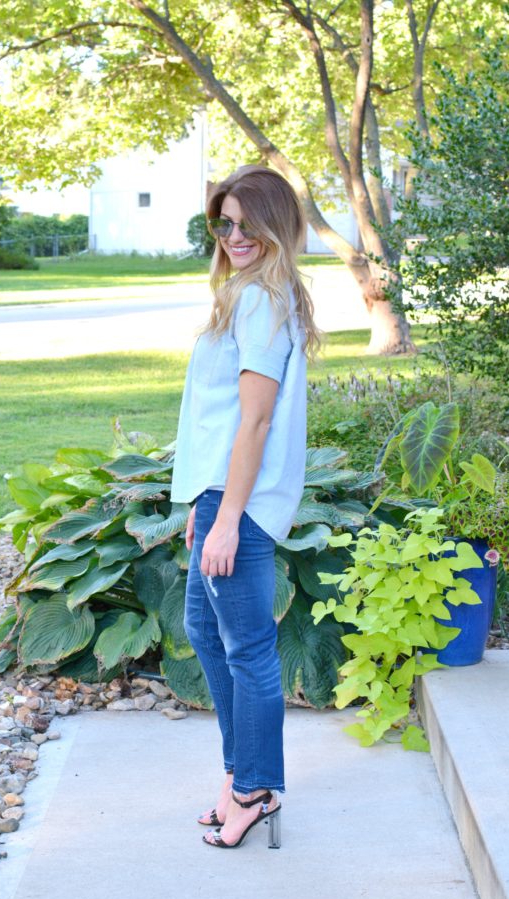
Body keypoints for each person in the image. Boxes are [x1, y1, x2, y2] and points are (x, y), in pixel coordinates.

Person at [170, 164, 320, 850]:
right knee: (205, 630)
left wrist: (228, 515)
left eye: (245, 223)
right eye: (222, 222)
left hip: (244, 500)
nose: (233, 234)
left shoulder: (261, 300)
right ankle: (240, 777)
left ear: (275, 226)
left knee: (248, 649)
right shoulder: (247, 294)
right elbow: (223, 417)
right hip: (220, 490)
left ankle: (254, 789)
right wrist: (207, 502)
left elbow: (254, 423)